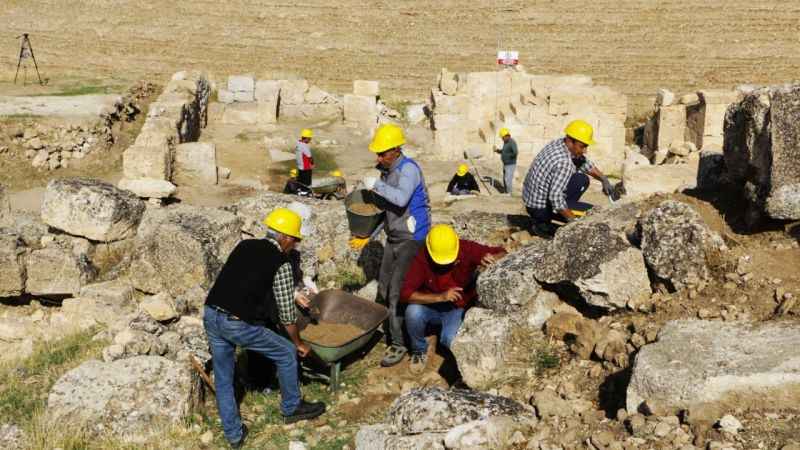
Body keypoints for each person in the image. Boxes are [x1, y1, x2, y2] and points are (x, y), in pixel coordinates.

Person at [203, 208, 325, 448]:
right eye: (295, 239)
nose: (296, 244)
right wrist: (298, 344)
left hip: (211, 313)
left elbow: (242, 279)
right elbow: (287, 316)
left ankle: (234, 435)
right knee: (286, 352)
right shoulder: (281, 263)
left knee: (224, 377)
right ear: (285, 237)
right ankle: (292, 407)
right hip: (236, 323)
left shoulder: (245, 245)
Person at [350, 123, 431, 367]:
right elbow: (386, 210)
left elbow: (401, 198)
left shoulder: (408, 170)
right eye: (377, 153)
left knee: (397, 291)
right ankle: (397, 329)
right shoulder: (386, 170)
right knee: (384, 287)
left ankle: (401, 343)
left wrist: (376, 185)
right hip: (394, 236)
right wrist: (369, 236)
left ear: (396, 150)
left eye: (382, 153)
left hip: (413, 238)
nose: (379, 157)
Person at [400, 224, 506, 374]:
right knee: (413, 312)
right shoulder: (421, 257)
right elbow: (405, 294)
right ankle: (419, 350)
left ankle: (458, 365)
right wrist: (441, 297)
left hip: (457, 308)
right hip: (430, 305)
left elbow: (502, 252)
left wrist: (492, 258)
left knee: (449, 339)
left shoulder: (465, 248)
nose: (446, 264)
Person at [521, 119, 615, 239]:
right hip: (540, 209)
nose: (585, 150)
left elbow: (583, 162)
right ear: (570, 141)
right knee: (591, 213)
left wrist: (603, 179)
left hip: (532, 200)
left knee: (581, 179)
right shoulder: (564, 162)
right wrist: (573, 221)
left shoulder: (559, 143)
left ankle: (555, 213)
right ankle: (543, 224)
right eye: (582, 146)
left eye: (586, 146)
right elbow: (555, 197)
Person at [494, 127, 518, 195]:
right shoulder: (506, 142)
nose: (502, 139)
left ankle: (509, 193)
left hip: (510, 164)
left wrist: (508, 157)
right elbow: (504, 151)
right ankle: (506, 191)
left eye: (502, 137)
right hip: (505, 164)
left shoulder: (512, 142)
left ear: (506, 136)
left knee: (508, 179)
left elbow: (515, 152)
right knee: (505, 179)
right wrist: (497, 150)